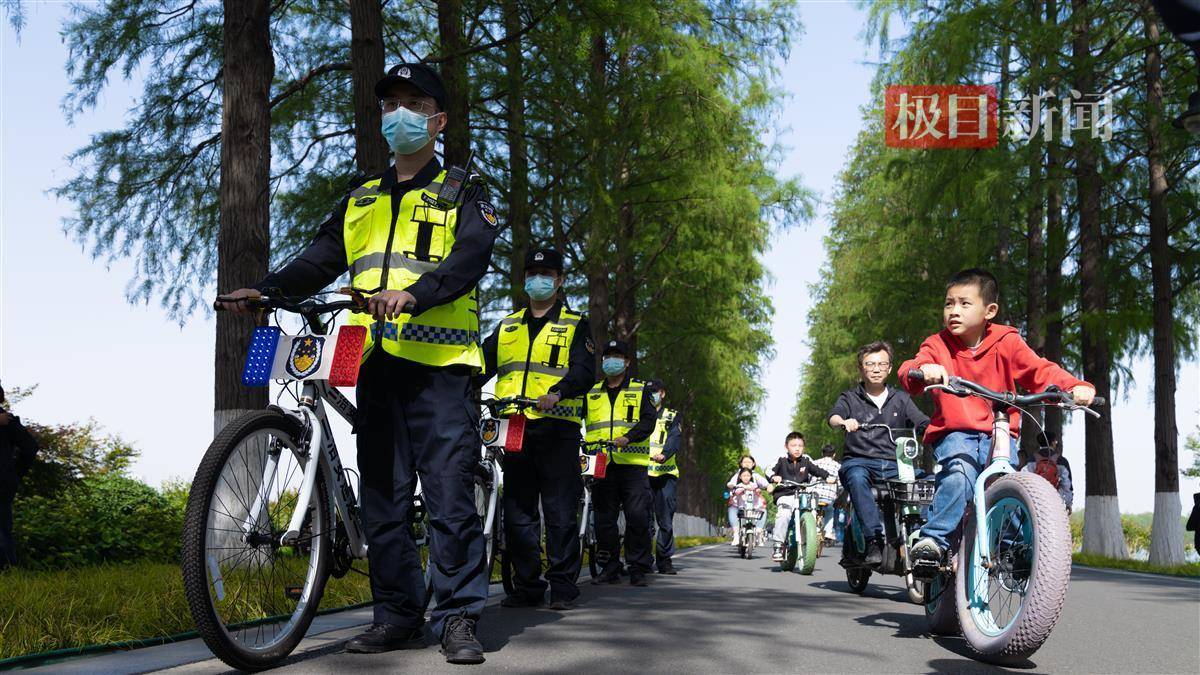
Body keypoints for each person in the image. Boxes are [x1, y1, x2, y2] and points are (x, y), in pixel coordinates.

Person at [217, 63, 497, 663]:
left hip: (443, 363)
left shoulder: (463, 191)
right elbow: (319, 260)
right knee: (384, 497)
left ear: (438, 121)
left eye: (414, 104)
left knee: (448, 494)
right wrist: (265, 290)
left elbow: (471, 259)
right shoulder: (361, 197)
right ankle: (397, 614)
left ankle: (457, 619)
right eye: (390, 103)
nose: (400, 114)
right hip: (375, 361)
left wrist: (415, 294)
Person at [899, 269, 1095, 566]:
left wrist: (1074, 386)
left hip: (1000, 430)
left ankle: (1014, 548)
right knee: (961, 473)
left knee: (1009, 482)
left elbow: (1040, 371)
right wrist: (924, 370)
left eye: (965, 304)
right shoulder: (937, 344)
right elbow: (912, 369)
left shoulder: (1007, 341)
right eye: (949, 303)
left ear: (989, 310)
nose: (954, 311)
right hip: (956, 432)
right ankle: (934, 540)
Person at [479, 247, 594, 611]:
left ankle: (562, 586)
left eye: (546, 273)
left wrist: (557, 392)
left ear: (559, 281)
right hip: (514, 428)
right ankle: (528, 586)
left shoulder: (576, 324)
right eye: (531, 273)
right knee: (518, 513)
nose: (537, 279)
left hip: (557, 429)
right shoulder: (508, 325)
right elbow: (483, 363)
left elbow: (583, 371)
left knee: (559, 512)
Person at [828, 340, 930, 567]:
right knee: (855, 476)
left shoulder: (901, 398)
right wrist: (844, 422)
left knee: (930, 482)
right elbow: (834, 417)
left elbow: (922, 421)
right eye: (870, 364)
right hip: (860, 461)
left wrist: (933, 429)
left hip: (896, 464)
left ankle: (925, 536)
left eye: (881, 364)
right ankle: (873, 539)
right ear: (861, 368)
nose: (875, 369)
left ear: (889, 368)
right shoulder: (850, 398)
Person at [583, 340, 657, 587]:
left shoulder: (640, 389)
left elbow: (648, 422)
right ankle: (610, 567)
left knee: (637, 517)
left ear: (626, 362)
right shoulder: (592, 392)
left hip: (632, 464)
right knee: (605, 519)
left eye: (617, 356)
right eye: (607, 356)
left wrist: (628, 438)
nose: (610, 361)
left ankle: (637, 567)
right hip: (602, 463)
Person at [767, 432, 835, 561]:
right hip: (785, 493)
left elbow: (817, 470)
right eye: (793, 445)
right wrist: (773, 477)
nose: (797, 448)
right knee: (784, 514)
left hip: (802, 494)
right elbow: (769, 470)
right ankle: (778, 545)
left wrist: (828, 477)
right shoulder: (781, 459)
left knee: (814, 511)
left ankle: (811, 540)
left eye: (800, 445)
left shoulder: (806, 460)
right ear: (786, 446)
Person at [645, 380, 682, 575]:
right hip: (642, 474)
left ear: (663, 393)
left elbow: (674, 438)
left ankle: (664, 560)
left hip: (665, 474)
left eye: (655, 391)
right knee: (642, 519)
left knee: (665, 521)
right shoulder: (638, 414)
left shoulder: (671, 416)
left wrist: (664, 454)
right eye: (648, 391)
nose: (652, 394)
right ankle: (643, 560)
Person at [0, 383, 39, 570]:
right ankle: (8, 570)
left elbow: (30, 447)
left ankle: (8, 571)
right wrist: (16, 473)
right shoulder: (7, 421)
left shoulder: (7, 421)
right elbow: (30, 448)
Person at [1022, 431, 1074, 512]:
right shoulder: (1062, 460)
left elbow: (1024, 478)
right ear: (1053, 443)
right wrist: (1068, 503)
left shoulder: (1032, 459)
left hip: (1036, 500)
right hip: (1055, 500)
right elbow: (1067, 484)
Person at [726, 456, 769, 545]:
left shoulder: (755, 475)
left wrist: (768, 487)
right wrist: (734, 486)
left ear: (753, 464)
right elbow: (731, 484)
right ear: (741, 464)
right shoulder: (737, 475)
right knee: (732, 509)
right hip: (739, 504)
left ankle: (758, 531)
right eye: (744, 462)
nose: (746, 464)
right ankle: (736, 533)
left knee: (763, 510)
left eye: (749, 462)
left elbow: (765, 484)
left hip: (753, 503)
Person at [812, 444, 842, 545]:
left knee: (812, 511)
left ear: (822, 453)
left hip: (814, 496)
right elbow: (841, 485)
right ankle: (828, 532)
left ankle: (810, 531)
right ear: (834, 455)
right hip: (829, 498)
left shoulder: (814, 463)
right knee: (830, 511)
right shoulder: (838, 466)